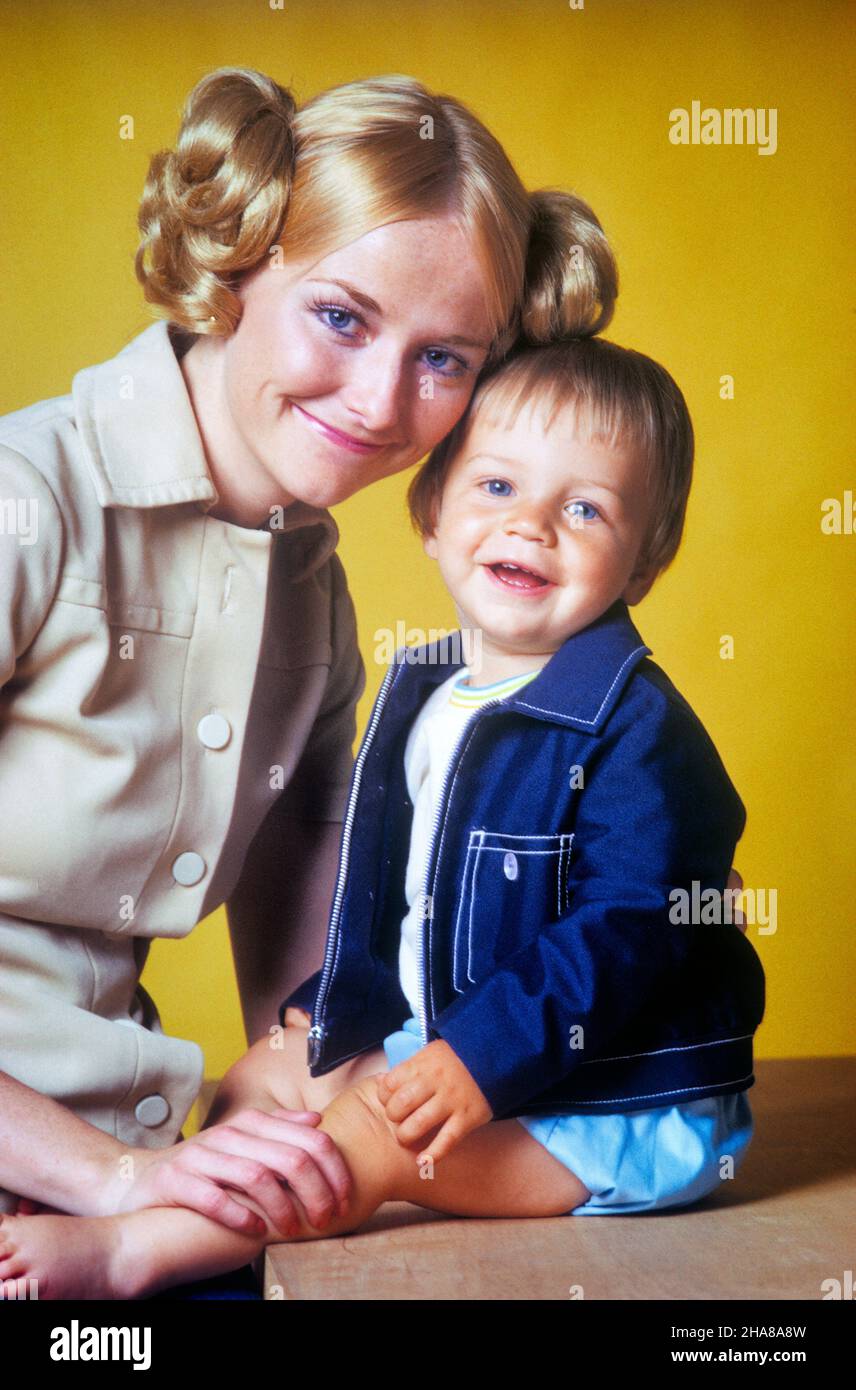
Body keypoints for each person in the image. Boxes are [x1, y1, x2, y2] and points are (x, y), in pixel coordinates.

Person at [0, 62, 622, 1282]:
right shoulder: (29, 505)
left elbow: (308, 960)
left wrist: (368, 1100)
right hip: (72, 1174)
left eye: (447, 359)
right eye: (341, 317)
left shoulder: (311, 589)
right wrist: (112, 1177)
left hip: (123, 1170)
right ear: (236, 263)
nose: (385, 399)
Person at [0, 335, 764, 1298]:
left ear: (644, 560)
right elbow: (389, 905)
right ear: (431, 516)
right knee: (263, 1085)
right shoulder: (424, 692)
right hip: (454, 1042)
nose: (531, 526)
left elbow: (628, 931)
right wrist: (326, 1012)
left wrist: (480, 1059)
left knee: (370, 1138)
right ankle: (184, 1205)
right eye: (496, 488)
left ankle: (133, 1252)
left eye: (584, 507)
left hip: (611, 1104)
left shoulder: (637, 727)